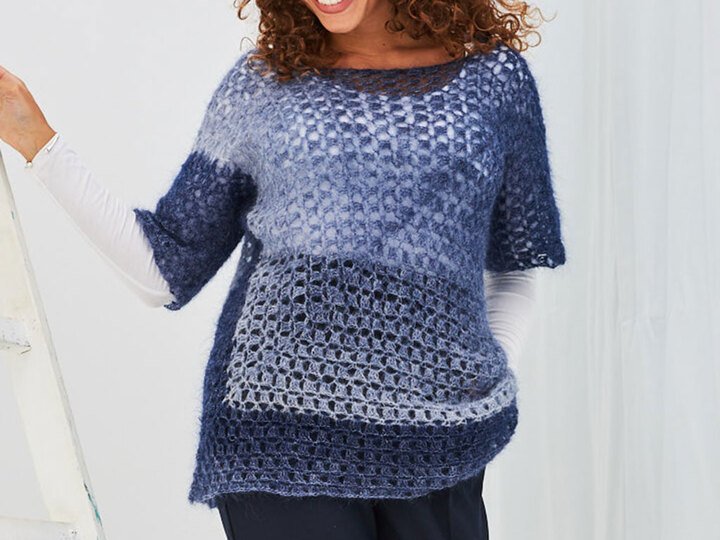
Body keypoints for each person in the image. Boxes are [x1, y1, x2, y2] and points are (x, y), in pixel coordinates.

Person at [0, 0, 567, 538]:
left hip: (443, 439)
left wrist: (488, 373)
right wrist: (38, 142)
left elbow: (514, 266)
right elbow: (164, 268)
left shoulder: (494, 82)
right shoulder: (265, 84)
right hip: (279, 436)